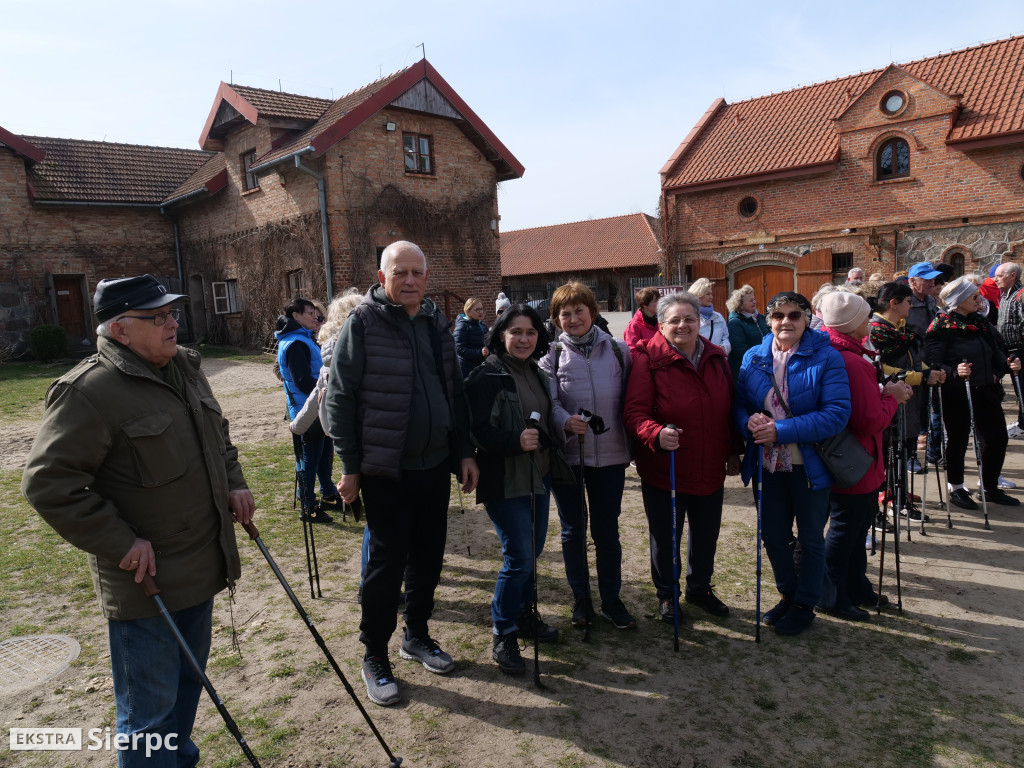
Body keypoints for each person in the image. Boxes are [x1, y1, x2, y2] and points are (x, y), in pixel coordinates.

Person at [21, 274, 255, 768]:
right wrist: (120, 541)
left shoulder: (185, 366)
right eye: (158, 316)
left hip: (203, 566)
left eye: (171, 312)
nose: (173, 322)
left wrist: (233, 480)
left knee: (188, 690)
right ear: (120, 330)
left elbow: (219, 437)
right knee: (149, 719)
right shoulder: (89, 392)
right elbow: (48, 483)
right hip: (146, 586)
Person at [325, 240, 479, 706]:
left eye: (417, 272)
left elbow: (454, 393)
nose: (409, 280)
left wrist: (464, 453)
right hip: (385, 470)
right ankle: (375, 654)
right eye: (400, 273)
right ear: (382, 277)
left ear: (426, 278)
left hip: (434, 466)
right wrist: (350, 468)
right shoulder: (363, 323)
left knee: (429, 557)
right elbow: (340, 397)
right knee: (386, 565)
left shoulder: (435, 321)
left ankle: (417, 635)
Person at [735, 291, 851, 636]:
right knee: (772, 534)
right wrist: (748, 422)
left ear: (807, 318)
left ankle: (805, 604)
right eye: (778, 315)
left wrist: (780, 430)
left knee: (811, 538)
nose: (785, 322)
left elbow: (836, 414)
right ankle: (787, 594)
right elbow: (739, 402)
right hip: (766, 464)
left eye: (794, 315)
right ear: (768, 320)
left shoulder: (826, 357)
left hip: (808, 464)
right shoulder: (754, 356)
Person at [624, 292, 743, 624]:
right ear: (660, 325)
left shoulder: (716, 357)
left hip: (709, 464)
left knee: (706, 533)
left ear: (699, 321)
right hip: (667, 467)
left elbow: (728, 409)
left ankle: (700, 588)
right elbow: (634, 413)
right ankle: (666, 594)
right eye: (674, 320)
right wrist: (655, 434)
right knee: (666, 536)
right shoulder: (646, 358)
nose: (682, 325)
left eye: (689, 319)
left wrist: (734, 450)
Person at [466, 304, 572, 674]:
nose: (524, 339)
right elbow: (475, 430)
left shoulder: (536, 373)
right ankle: (504, 631)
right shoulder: (485, 376)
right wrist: (514, 441)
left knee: (534, 550)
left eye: (530, 332)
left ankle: (525, 616)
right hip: (504, 480)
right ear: (500, 336)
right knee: (520, 557)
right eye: (516, 332)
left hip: (538, 476)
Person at [539, 282, 636, 631]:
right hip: (569, 457)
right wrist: (565, 421)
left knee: (607, 530)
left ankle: (611, 599)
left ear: (593, 312)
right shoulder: (549, 357)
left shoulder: (619, 351)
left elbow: (631, 400)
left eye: (580, 310)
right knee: (572, 529)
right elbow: (547, 404)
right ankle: (581, 598)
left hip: (610, 455)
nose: (573, 318)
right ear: (556, 319)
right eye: (565, 313)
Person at [819, 291, 911, 620]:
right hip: (855, 458)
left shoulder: (852, 352)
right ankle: (831, 594)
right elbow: (868, 419)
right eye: (865, 316)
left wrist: (884, 391)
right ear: (853, 322)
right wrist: (893, 398)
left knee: (858, 529)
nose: (870, 321)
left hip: (859, 457)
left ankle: (856, 586)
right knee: (846, 529)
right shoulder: (851, 361)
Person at [925, 276, 1021, 510]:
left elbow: (997, 349)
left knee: (997, 438)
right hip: (956, 391)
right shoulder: (942, 325)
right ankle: (956, 488)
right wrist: (954, 371)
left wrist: (1007, 364)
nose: (980, 300)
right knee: (957, 440)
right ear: (959, 302)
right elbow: (933, 362)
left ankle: (989, 487)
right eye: (974, 296)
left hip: (986, 388)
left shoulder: (981, 322)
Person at [869, 281, 946, 489]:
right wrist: (919, 377)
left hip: (909, 401)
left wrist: (930, 371)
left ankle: (900, 495)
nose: (911, 306)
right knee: (891, 452)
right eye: (908, 302)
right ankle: (887, 496)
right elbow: (879, 369)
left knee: (906, 449)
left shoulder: (899, 328)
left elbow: (912, 359)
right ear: (894, 303)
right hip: (890, 402)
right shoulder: (876, 331)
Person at [276, 296, 338, 523]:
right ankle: (308, 506)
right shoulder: (296, 343)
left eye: (315, 313)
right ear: (296, 316)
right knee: (310, 458)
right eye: (310, 313)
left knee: (323, 453)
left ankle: (329, 495)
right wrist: (329, 386)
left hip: (317, 404)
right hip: (306, 408)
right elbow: (301, 380)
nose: (316, 317)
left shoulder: (304, 338)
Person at [994, 261, 1024, 439]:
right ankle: (1022, 421)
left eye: (999, 275)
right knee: (1018, 387)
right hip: (1009, 351)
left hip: (1020, 351)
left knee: (1022, 388)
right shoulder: (1006, 294)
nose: (995, 279)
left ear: (1012, 276)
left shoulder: (1020, 295)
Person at [726, 284, 769, 379]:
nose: (754, 302)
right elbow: (740, 349)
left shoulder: (762, 318)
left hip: (764, 366)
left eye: (754, 299)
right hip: (746, 369)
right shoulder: (735, 323)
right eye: (750, 300)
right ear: (740, 304)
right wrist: (760, 360)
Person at [689, 277, 731, 354]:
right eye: (708, 294)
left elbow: (726, 337)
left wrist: (724, 348)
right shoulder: (690, 319)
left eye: (711, 294)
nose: (711, 297)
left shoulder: (718, 317)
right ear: (698, 296)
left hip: (717, 360)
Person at [454, 297, 490, 379]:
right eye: (477, 310)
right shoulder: (462, 326)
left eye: (481, 309)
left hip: (481, 366)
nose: (481, 312)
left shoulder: (483, 325)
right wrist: (479, 352)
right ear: (468, 311)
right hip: (467, 369)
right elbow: (459, 348)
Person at [624, 286, 661, 352]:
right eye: (655, 301)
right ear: (644, 304)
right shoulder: (634, 326)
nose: (660, 303)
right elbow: (632, 351)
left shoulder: (661, 321)